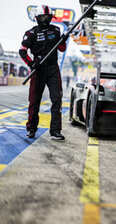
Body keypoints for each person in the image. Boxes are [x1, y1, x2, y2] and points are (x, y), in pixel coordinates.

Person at [19, 5, 67, 140]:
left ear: (51, 18)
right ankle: (31, 129)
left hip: (53, 69)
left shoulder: (56, 30)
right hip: (37, 69)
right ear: (37, 18)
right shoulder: (31, 33)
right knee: (34, 101)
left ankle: (55, 131)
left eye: (48, 17)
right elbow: (22, 51)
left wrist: (63, 41)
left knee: (57, 99)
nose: (45, 19)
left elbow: (62, 49)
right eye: (43, 17)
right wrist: (31, 63)